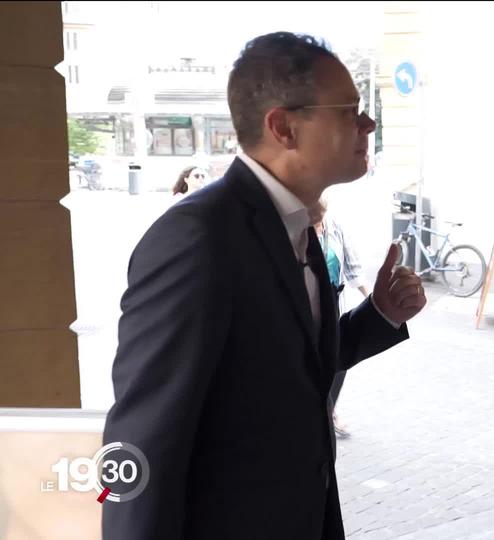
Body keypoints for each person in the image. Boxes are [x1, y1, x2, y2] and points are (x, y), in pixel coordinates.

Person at [102, 32, 427, 540]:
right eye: (349, 110)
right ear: (284, 127)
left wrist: (380, 315)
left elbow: (287, 367)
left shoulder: (297, 224)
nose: (369, 123)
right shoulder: (197, 238)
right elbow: (138, 441)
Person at [308, 197, 371, 439]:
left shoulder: (335, 227)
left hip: (334, 301)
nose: (317, 215)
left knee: (339, 360)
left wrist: (373, 301)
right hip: (308, 304)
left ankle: (329, 410)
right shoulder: (296, 230)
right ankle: (317, 413)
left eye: (320, 210)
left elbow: (353, 267)